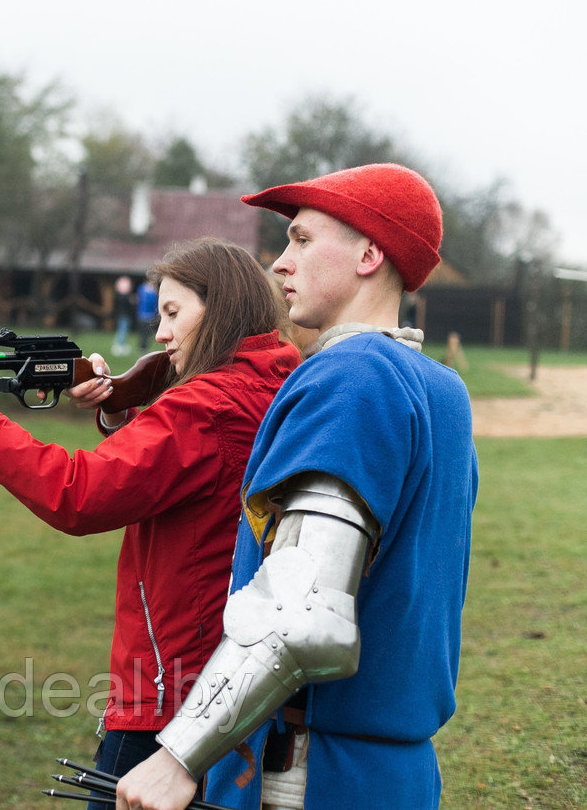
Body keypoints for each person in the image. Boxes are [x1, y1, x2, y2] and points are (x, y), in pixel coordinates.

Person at [115, 164, 478, 810]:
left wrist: (177, 757)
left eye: (303, 241)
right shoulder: (441, 387)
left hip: (310, 773)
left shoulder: (353, 375)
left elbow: (300, 616)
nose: (280, 264)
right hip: (395, 775)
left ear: (370, 253)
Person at [0, 240, 300, 803]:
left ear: (222, 309)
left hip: (170, 686)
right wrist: (120, 411)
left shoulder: (204, 406)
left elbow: (79, 494)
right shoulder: (272, 379)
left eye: (173, 313)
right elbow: (180, 474)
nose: (160, 333)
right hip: (224, 671)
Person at [111, 275, 135, 356]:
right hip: (124, 315)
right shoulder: (123, 297)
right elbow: (126, 304)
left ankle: (120, 345)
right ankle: (119, 346)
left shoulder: (119, 296)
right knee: (123, 330)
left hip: (123, 315)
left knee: (122, 329)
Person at [135, 279, 158, 352]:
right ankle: (143, 347)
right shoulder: (152, 291)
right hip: (148, 315)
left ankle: (142, 347)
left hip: (143, 315)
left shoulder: (141, 288)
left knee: (144, 333)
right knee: (146, 333)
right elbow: (155, 303)